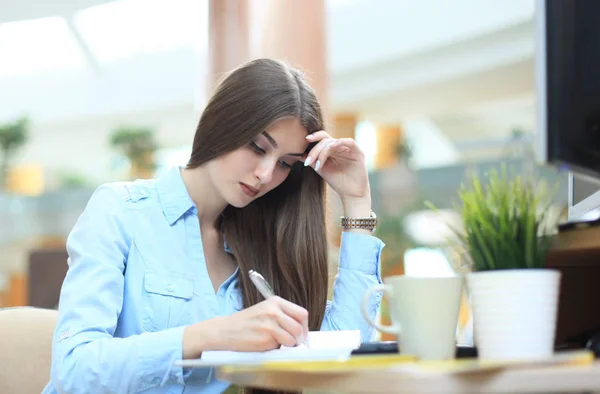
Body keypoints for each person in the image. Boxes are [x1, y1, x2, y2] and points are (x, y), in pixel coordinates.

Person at [43, 58, 384, 394]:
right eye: (257, 146)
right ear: (223, 123)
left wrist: (357, 200)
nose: (265, 175)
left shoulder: (265, 241)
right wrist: (210, 335)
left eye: (284, 164)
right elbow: (74, 369)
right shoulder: (121, 211)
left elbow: (340, 355)